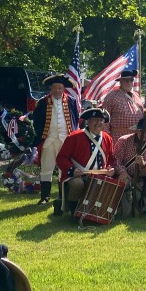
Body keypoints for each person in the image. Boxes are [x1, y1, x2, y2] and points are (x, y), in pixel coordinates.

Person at [55, 106, 118, 216]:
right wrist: (72, 170)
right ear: (88, 121)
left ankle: (101, 213)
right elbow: (61, 158)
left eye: (101, 120)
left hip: (100, 175)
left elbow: (111, 158)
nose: (98, 123)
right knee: (77, 184)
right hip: (78, 174)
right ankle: (75, 213)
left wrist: (110, 168)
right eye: (95, 120)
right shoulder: (74, 137)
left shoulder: (108, 138)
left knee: (112, 184)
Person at [31, 73, 80, 206]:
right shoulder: (42, 102)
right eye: (55, 88)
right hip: (49, 139)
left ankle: (61, 195)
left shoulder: (72, 101)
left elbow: (76, 119)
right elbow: (36, 121)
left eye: (60, 88)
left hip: (66, 140)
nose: (57, 90)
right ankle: (45, 196)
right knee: (46, 168)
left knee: (64, 168)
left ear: (63, 89)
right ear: (51, 89)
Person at [114, 110, 146, 215]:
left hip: (141, 181)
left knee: (140, 203)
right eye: (141, 131)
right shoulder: (124, 141)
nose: (144, 134)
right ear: (136, 130)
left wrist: (143, 164)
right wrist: (123, 172)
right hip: (124, 177)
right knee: (124, 184)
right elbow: (116, 160)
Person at [102, 69, 146, 140]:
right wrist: (106, 137)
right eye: (126, 80)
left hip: (137, 136)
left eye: (131, 80)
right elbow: (104, 119)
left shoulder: (137, 96)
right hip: (118, 136)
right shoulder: (111, 96)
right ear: (121, 81)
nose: (129, 82)